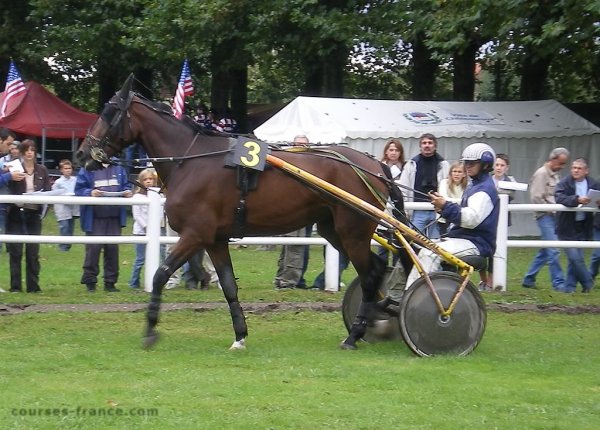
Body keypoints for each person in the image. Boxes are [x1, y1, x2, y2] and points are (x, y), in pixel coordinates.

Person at [405, 143, 500, 288]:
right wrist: (444, 209)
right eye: (466, 162)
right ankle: (398, 297)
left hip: (477, 243)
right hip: (464, 238)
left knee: (429, 253)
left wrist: (445, 206)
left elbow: (471, 219)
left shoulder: (484, 189)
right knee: (415, 248)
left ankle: (413, 299)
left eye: (472, 163)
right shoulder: (474, 185)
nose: (467, 166)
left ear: (485, 165)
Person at [75, 159, 132, 292]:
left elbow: (126, 186)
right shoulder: (88, 167)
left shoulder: (119, 167)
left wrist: (127, 192)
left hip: (114, 216)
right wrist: (90, 192)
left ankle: (110, 282)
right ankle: (90, 282)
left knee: (112, 250)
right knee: (93, 250)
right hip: (95, 217)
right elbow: (79, 189)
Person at [521, 148, 569, 291]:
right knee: (553, 249)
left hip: (553, 216)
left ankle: (529, 279)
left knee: (546, 250)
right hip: (545, 216)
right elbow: (536, 197)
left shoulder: (554, 174)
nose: (562, 166)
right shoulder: (542, 174)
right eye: (560, 163)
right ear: (553, 159)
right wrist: (551, 209)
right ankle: (558, 283)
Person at [6, 139, 50, 293]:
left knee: (33, 252)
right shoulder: (14, 168)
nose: (30, 152)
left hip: (34, 214)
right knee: (15, 251)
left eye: (32, 149)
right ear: (22, 152)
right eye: (27, 149)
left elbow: (48, 191)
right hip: (17, 213)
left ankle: (33, 286)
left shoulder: (42, 170)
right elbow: (8, 187)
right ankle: (15, 286)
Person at [554, 158, 599, 293]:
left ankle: (570, 287)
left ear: (586, 171)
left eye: (579, 168)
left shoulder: (593, 184)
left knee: (575, 259)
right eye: (574, 168)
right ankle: (588, 282)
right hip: (567, 226)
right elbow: (559, 197)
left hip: (583, 225)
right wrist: (577, 200)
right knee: (575, 257)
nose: (576, 170)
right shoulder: (564, 183)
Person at [274, 134, 311, 290]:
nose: (300, 147)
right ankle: (287, 281)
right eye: (297, 144)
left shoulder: (307, 163)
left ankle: (283, 279)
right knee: (293, 247)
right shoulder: (287, 163)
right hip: (295, 210)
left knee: (293, 247)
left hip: (304, 210)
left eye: (303, 145)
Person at [399, 133, 449, 239]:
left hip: (436, 211)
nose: (427, 145)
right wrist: (406, 209)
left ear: (435, 146)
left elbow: (448, 187)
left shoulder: (443, 164)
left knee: (436, 244)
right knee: (415, 242)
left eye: (430, 143)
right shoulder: (411, 164)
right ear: (420, 146)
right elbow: (403, 187)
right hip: (417, 210)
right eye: (424, 143)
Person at [479, 153, 517, 290]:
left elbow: (511, 194)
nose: (499, 168)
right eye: (497, 165)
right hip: (485, 220)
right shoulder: (486, 180)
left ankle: (491, 281)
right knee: (484, 250)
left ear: (507, 167)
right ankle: (483, 280)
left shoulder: (511, 181)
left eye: (502, 165)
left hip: (501, 221)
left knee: (497, 251)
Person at [377, 139, 406, 265]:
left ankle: (395, 277)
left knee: (397, 250)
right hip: (383, 214)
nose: (394, 153)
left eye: (396, 150)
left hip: (399, 214)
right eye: (391, 150)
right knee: (382, 250)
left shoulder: (406, 168)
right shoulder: (379, 167)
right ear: (386, 152)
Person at [128, 168, 158, 290]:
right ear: (140, 181)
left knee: (159, 257)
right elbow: (137, 215)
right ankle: (133, 282)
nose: (148, 181)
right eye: (145, 179)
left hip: (156, 232)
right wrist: (147, 227)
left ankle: (156, 281)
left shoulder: (157, 195)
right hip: (141, 232)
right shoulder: (137, 197)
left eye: (150, 179)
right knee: (140, 259)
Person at [51, 159, 80, 251]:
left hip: (72, 207)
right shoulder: (58, 182)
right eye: (65, 168)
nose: (68, 170)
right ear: (61, 170)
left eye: (69, 168)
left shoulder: (75, 180)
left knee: (70, 227)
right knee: (64, 226)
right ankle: (63, 247)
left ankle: (68, 245)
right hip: (62, 207)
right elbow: (54, 193)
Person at [437, 161, 467, 236]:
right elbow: (444, 199)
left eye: (459, 172)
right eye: (454, 171)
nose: (456, 174)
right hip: (444, 220)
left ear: (464, 174)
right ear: (450, 173)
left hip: (460, 219)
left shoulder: (468, 186)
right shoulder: (444, 183)